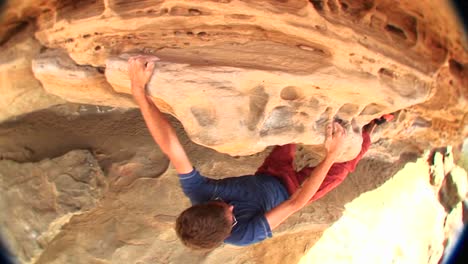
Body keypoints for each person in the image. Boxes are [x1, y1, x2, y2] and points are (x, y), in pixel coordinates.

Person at [128, 55, 384, 250]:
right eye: (231, 214)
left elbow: (171, 146)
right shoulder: (244, 235)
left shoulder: (198, 192)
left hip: (270, 174)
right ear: (229, 231)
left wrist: (139, 92)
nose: (229, 205)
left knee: (291, 127)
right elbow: (295, 204)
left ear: (202, 204)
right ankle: (374, 124)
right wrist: (330, 155)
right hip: (294, 192)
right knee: (343, 165)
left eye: (220, 203)